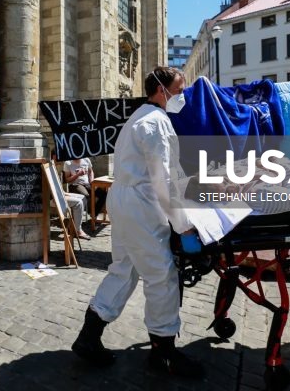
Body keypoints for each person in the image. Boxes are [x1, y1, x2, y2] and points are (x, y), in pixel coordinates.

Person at [71, 67, 205, 378]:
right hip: (140, 205)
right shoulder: (155, 122)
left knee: (124, 270)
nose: (182, 96)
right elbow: (164, 180)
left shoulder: (138, 118)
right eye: (179, 89)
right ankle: (164, 352)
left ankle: (88, 338)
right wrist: (183, 224)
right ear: (162, 90)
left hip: (127, 201)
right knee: (161, 276)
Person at [63, 157, 107, 224]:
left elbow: (91, 171)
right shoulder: (68, 163)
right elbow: (67, 180)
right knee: (86, 195)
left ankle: (94, 214)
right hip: (75, 185)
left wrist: (92, 181)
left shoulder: (86, 160)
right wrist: (78, 174)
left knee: (103, 194)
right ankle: (89, 214)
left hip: (87, 184)